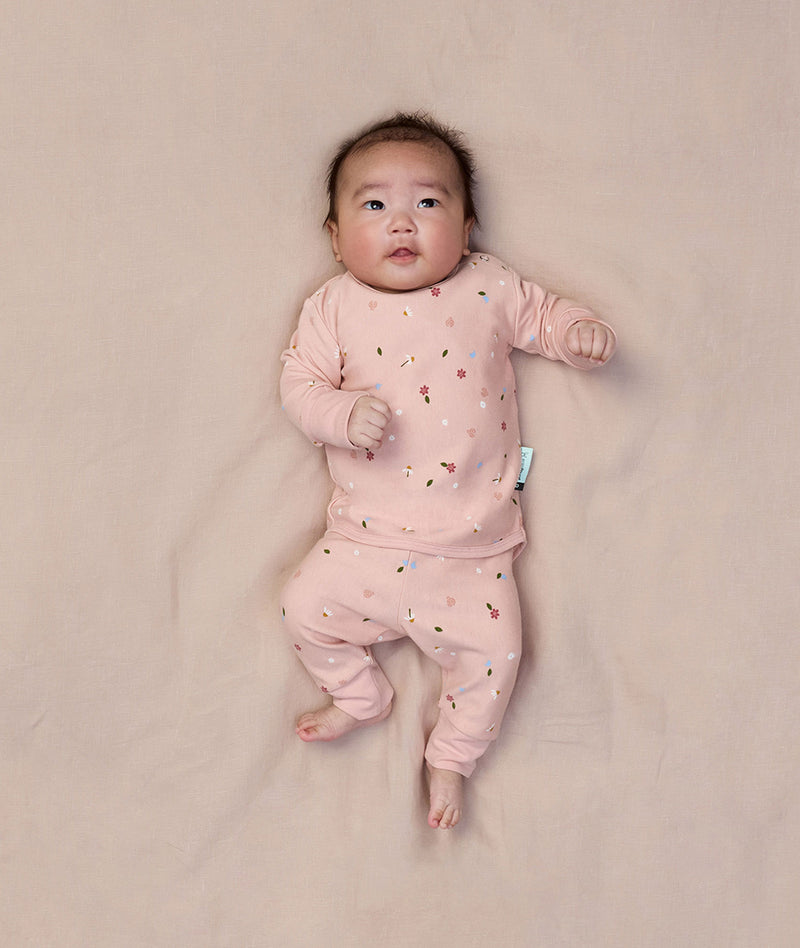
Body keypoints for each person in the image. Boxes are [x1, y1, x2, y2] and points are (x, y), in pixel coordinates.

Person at [280, 112, 616, 829]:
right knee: (304, 608)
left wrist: (580, 334)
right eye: (374, 205)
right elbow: (299, 387)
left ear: (466, 231)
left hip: (472, 551)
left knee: (497, 661)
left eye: (429, 203)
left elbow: (547, 317)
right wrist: (339, 416)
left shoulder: (488, 288)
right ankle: (361, 698)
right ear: (336, 238)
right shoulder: (332, 308)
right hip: (365, 542)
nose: (402, 223)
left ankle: (450, 759)